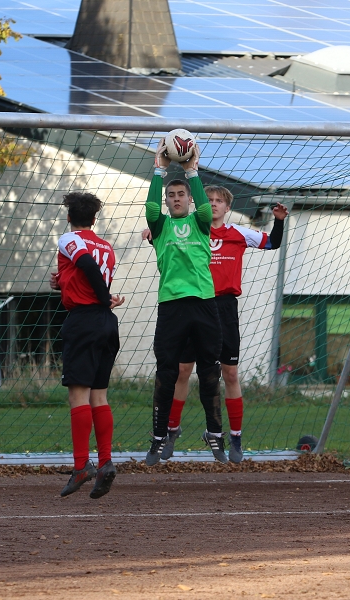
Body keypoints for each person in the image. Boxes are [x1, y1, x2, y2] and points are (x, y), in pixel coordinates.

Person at [143, 187, 288, 463]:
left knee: (229, 374)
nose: (213, 204)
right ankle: (171, 431)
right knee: (182, 370)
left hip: (223, 308)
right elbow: (163, 236)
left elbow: (272, 243)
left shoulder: (238, 233)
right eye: (208, 200)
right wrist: (151, 232)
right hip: (193, 304)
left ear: (227, 207)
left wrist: (279, 221)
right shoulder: (188, 228)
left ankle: (235, 437)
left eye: (219, 201)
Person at [144, 139, 228, 464]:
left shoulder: (200, 222)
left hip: (204, 304)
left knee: (209, 373)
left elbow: (206, 209)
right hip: (172, 306)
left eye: (181, 194)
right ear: (167, 200)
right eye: (172, 195)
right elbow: (151, 209)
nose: (176, 198)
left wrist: (192, 170)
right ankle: (158, 437)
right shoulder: (161, 226)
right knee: (167, 373)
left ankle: (215, 434)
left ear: (189, 199)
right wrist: (159, 171)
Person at [51, 192, 125, 499]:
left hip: (84, 321)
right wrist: (63, 282)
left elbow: (87, 266)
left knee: (78, 397)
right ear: (94, 219)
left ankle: (81, 466)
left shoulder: (68, 239)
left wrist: (104, 297)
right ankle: (105, 462)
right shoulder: (106, 246)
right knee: (99, 396)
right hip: (106, 324)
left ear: (69, 217)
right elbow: (88, 273)